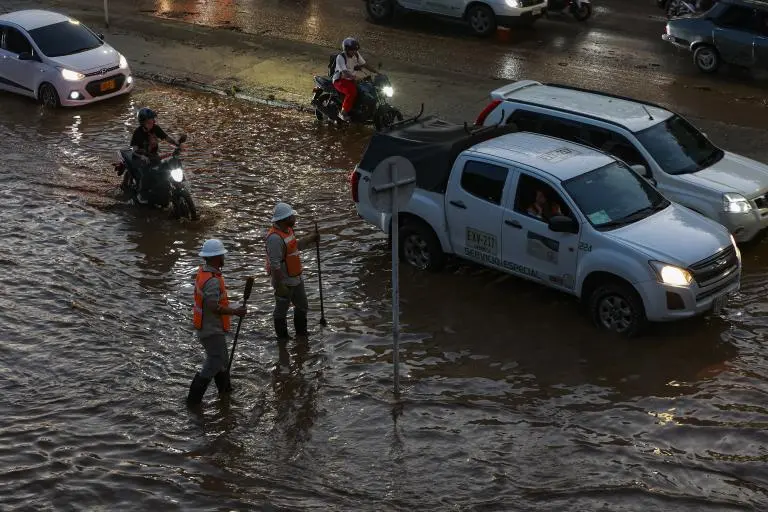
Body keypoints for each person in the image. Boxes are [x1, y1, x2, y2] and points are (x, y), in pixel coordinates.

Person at [187, 239, 247, 406]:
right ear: (215, 257)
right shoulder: (212, 280)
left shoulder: (204, 273)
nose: (223, 257)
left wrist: (234, 306)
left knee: (222, 362)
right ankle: (193, 402)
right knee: (213, 363)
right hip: (211, 331)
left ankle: (225, 395)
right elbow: (214, 307)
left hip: (206, 327)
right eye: (221, 255)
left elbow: (214, 304)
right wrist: (235, 311)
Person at [265, 202, 319, 341]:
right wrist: (280, 285)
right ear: (284, 219)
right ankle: (282, 340)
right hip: (284, 281)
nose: (294, 218)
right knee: (281, 311)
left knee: (302, 306)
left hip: (296, 277)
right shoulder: (275, 239)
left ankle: (301, 335)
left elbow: (295, 247)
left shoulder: (288, 231)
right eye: (291, 216)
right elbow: (275, 265)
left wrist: (310, 239)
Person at [121, 107, 180, 198]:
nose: (152, 122)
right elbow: (134, 149)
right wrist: (142, 156)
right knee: (146, 176)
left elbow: (166, 137)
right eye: (149, 121)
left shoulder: (155, 128)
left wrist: (176, 144)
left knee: (164, 172)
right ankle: (141, 196)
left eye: (152, 120)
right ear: (143, 123)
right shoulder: (138, 133)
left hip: (153, 156)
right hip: (140, 158)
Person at [331, 37, 378, 122]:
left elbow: (365, 64)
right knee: (351, 92)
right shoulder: (340, 57)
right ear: (346, 49)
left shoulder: (356, 54)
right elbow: (345, 72)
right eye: (352, 50)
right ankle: (342, 113)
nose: (354, 51)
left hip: (351, 79)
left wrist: (376, 72)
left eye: (355, 50)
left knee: (367, 89)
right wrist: (355, 78)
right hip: (340, 80)